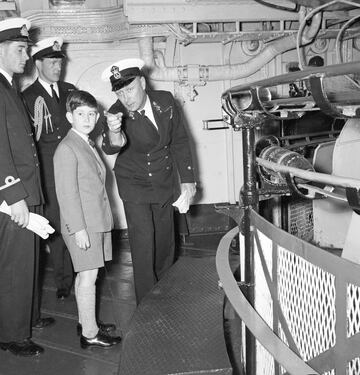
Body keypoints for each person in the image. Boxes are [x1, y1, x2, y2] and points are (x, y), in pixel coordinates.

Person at [101, 58, 197, 304]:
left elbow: (180, 140)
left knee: (165, 242)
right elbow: (111, 146)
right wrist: (113, 131)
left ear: (142, 82)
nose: (127, 97)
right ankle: (147, 304)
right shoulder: (116, 113)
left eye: (130, 88)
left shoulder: (165, 101)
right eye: (120, 92)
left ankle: (166, 292)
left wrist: (187, 180)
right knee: (143, 245)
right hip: (135, 185)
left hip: (163, 181)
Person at [53, 90, 121, 348]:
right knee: (87, 277)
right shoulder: (67, 147)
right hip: (84, 225)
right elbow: (67, 194)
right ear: (70, 116)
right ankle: (90, 335)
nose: (87, 119)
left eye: (92, 114)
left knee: (89, 275)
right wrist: (78, 229)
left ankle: (87, 322)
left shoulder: (85, 142)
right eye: (81, 114)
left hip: (95, 221)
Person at [0, 17, 46, 357]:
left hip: (26, 192)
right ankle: (13, 335)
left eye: (27, 49)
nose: (27, 56)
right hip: (15, 195)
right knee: (14, 266)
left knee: (25, 264)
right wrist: (12, 194)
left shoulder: (8, 88)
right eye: (20, 49)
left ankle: (21, 321)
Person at [22, 36, 75, 300]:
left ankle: (82, 272)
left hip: (74, 169)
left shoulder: (70, 91)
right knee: (55, 225)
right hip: (49, 174)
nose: (58, 67)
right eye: (52, 61)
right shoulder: (27, 97)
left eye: (59, 61)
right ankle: (64, 280)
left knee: (78, 221)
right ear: (38, 63)